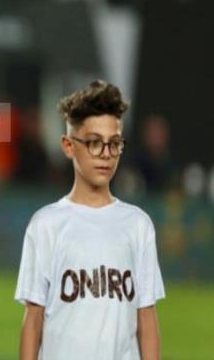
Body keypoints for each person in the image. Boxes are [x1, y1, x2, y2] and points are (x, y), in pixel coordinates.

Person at [15, 81, 165, 360]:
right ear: (69, 146)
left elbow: (146, 316)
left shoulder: (138, 225)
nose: (106, 154)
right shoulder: (46, 224)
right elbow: (33, 317)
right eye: (94, 143)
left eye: (114, 143)